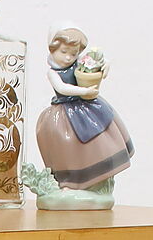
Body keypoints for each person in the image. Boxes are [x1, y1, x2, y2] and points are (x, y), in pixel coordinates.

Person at [34, 25, 134, 208]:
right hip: (64, 112)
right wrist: (84, 91)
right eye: (64, 52)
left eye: (73, 54)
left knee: (97, 139)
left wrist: (105, 65)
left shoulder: (79, 63)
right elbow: (62, 88)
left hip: (86, 107)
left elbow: (98, 60)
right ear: (53, 49)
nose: (68, 57)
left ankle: (98, 175)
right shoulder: (53, 72)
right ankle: (70, 181)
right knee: (68, 147)